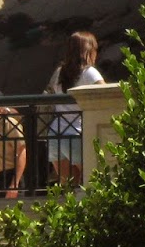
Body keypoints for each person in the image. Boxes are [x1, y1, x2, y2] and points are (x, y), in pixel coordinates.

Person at [44, 31, 104, 187]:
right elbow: (106, 94)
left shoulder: (59, 72)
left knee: (67, 187)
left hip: (56, 134)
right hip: (76, 133)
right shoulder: (89, 72)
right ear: (89, 50)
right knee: (95, 182)